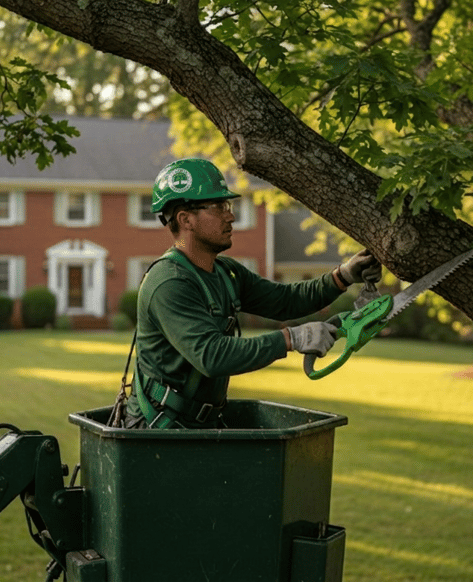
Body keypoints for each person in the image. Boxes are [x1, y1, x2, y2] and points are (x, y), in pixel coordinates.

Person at [122, 157, 381, 429]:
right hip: (156, 430)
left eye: (227, 206)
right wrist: (291, 338)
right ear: (186, 219)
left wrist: (343, 276)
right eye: (218, 207)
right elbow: (212, 355)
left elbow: (285, 301)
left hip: (199, 426)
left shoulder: (226, 273)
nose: (230, 216)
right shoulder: (169, 282)